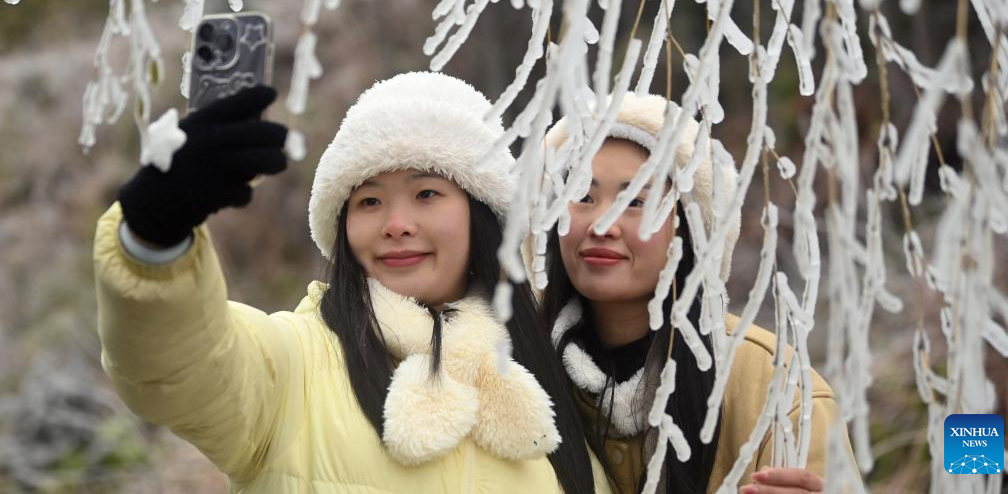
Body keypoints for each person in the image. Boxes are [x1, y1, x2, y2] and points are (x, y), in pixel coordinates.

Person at [94, 72, 611, 493]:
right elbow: (177, 366)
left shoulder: (553, 379)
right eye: (369, 201)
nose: (396, 224)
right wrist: (155, 237)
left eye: (426, 194)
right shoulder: (293, 367)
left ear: (484, 215)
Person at [538, 93, 860, 493]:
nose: (602, 224)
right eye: (583, 197)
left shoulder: (777, 390)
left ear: (690, 229)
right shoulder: (512, 370)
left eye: (636, 201)